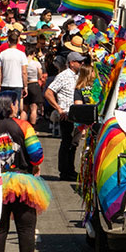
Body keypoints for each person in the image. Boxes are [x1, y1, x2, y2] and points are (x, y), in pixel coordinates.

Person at [0, 92, 50, 252]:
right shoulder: (24, 126)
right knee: (25, 228)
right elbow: (36, 155)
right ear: (13, 106)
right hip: (23, 183)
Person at [45, 51, 85, 181]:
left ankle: (70, 170)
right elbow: (49, 92)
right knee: (67, 142)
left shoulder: (78, 75)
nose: (81, 63)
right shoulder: (63, 76)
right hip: (66, 114)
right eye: (79, 61)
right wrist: (59, 109)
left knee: (73, 143)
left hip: (77, 115)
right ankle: (64, 171)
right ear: (72, 63)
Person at [0, 29, 29, 111]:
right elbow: (24, 72)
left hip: (5, 84)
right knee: (15, 107)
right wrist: (25, 86)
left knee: (4, 108)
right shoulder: (21, 54)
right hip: (17, 84)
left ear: (8, 41)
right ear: (18, 41)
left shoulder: (3, 54)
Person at [25, 46, 46, 126]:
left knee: (24, 109)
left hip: (25, 84)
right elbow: (40, 75)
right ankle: (32, 128)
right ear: (33, 53)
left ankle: (21, 127)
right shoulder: (36, 63)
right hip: (34, 84)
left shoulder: (23, 62)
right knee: (34, 108)